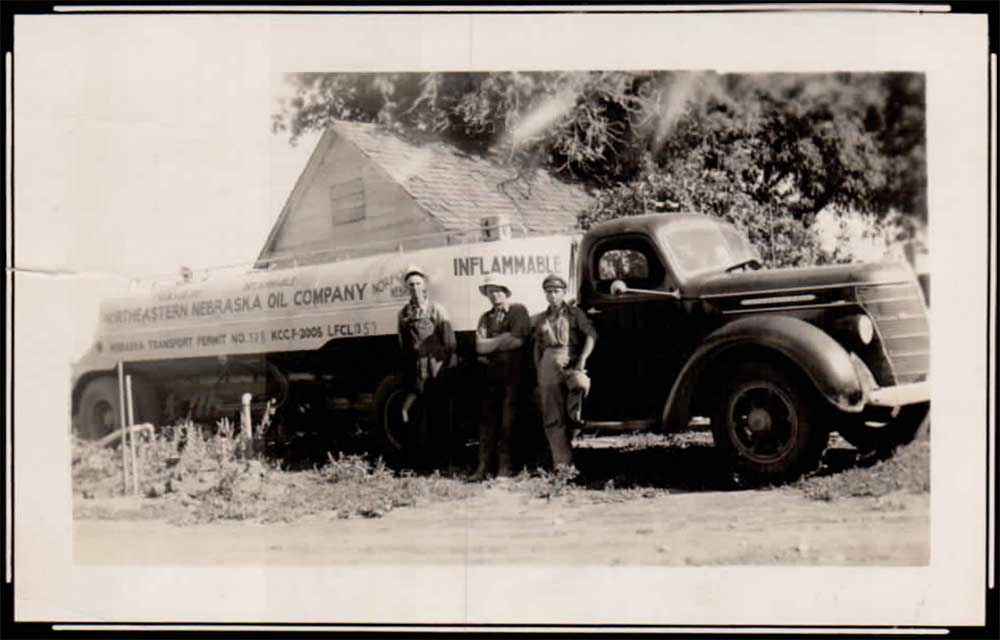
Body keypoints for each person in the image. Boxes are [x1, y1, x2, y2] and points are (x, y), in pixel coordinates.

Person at [532, 273, 597, 471]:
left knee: (580, 386)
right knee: (552, 417)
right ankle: (563, 466)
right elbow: (537, 346)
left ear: (563, 292)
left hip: (571, 360)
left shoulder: (574, 313)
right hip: (548, 364)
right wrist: (539, 369)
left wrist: (583, 359)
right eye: (549, 291)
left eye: (556, 291)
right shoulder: (542, 318)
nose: (552, 295)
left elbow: (592, 335)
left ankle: (573, 419)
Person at [471, 274, 531, 481]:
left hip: (513, 374)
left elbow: (519, 342)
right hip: (490, 375)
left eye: (497, 290)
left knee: (509, 420)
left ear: (506, 292)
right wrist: (503, 339)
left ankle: (505, 468)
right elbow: (479, 346)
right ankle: (482, 468)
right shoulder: (485, 318)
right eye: (489, 291)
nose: (494, 294)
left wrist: (492, 344)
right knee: (487, 421)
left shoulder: (518, 310)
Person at [397, 265, 456, 470]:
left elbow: (449, 342)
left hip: (436, 368)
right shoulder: (403, 314)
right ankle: (420, 464)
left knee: (439, 415)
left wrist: (444, 367)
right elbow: (404, 345)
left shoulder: (437, 310)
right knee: (416, 415)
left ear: (424, 286)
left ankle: (443, 463)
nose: (414, 287)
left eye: (418, 283)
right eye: (411, 285)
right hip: (416, 370)